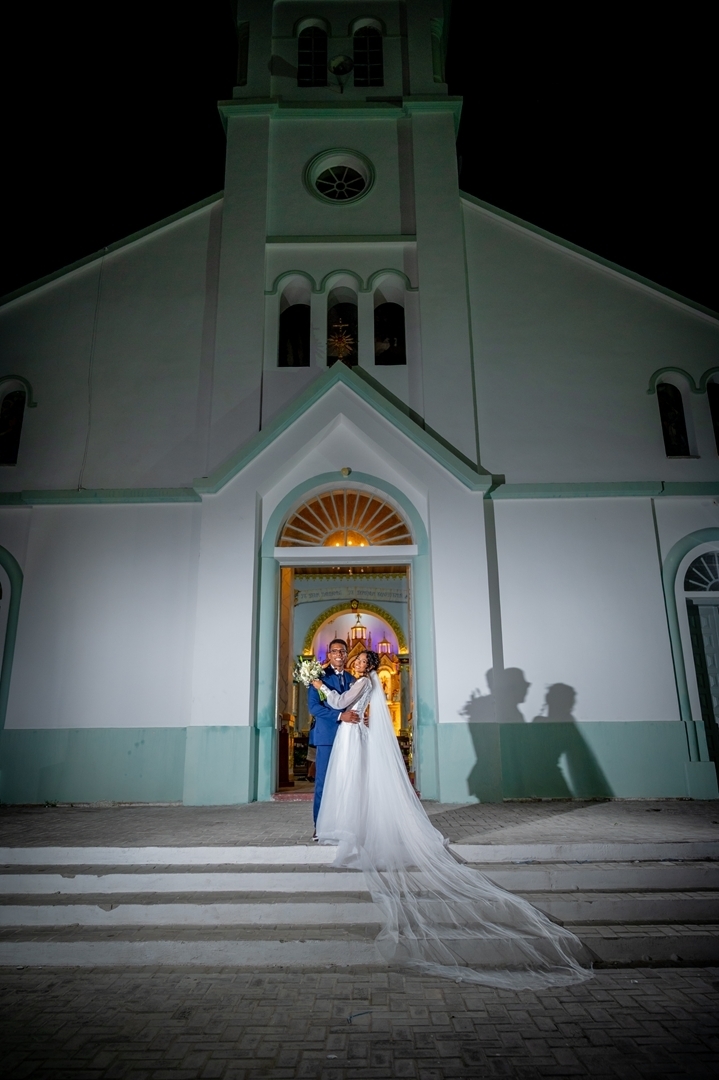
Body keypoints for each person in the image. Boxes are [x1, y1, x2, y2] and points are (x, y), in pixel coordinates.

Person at [312, 649, 593, 991]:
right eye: (353, 660)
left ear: (370, 666)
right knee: (348, 784)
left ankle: (349, 827)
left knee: (348, 782)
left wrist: (318, 685)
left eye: (360, 661)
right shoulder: (367, 682)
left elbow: (340, 703)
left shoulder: (360, 683)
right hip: (350, 734)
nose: (355, 663)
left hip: (352, 733)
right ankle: (352, 824)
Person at [307, 639, 359, 834]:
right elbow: (313, 707)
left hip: (348, 738)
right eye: (334, 651)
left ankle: (342, 824)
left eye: (342, 651)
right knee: (323, 781)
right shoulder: (318, 678)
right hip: (327, 737)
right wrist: (339, 716)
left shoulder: (352, 678)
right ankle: (319, 826)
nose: (338, 654)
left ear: (347, 655)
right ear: (329, 655)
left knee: (346, 781)